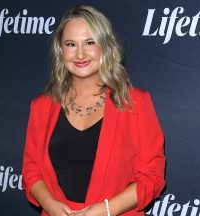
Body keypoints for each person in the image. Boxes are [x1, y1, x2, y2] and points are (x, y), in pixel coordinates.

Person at [22, 5, 165, 216]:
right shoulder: (41, 106)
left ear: (105, 47)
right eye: (71, 44)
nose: (80, 54)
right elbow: (31, 170)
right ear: (60, 50)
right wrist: (51, 205)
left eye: (90, 43)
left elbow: (152, 177)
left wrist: (107, 210)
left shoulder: (135, 103)